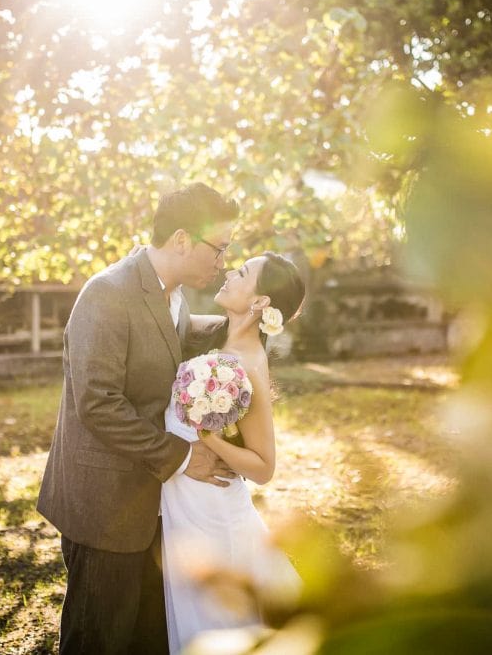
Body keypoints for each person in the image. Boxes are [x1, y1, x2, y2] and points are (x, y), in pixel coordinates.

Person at [36, 183, 240, 654]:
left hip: (151, 505)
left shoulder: (174, 296)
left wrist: (243, 322)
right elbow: (98, 404)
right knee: (99, 641)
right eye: (220, 248)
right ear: (183, 240)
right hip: (103, 506)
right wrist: (185, 456)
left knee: (147, 639)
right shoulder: (107, 294)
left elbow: (176, 337)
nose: (223, 261)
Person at [160, 251, 306, 653]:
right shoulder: (211, 336)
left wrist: (208, 440)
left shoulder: (250, 364)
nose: (228, 272)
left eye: (241, 273)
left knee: (217, 625)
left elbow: (263, 468)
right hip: (183, 502)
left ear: (260, 302)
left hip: (214, 514)